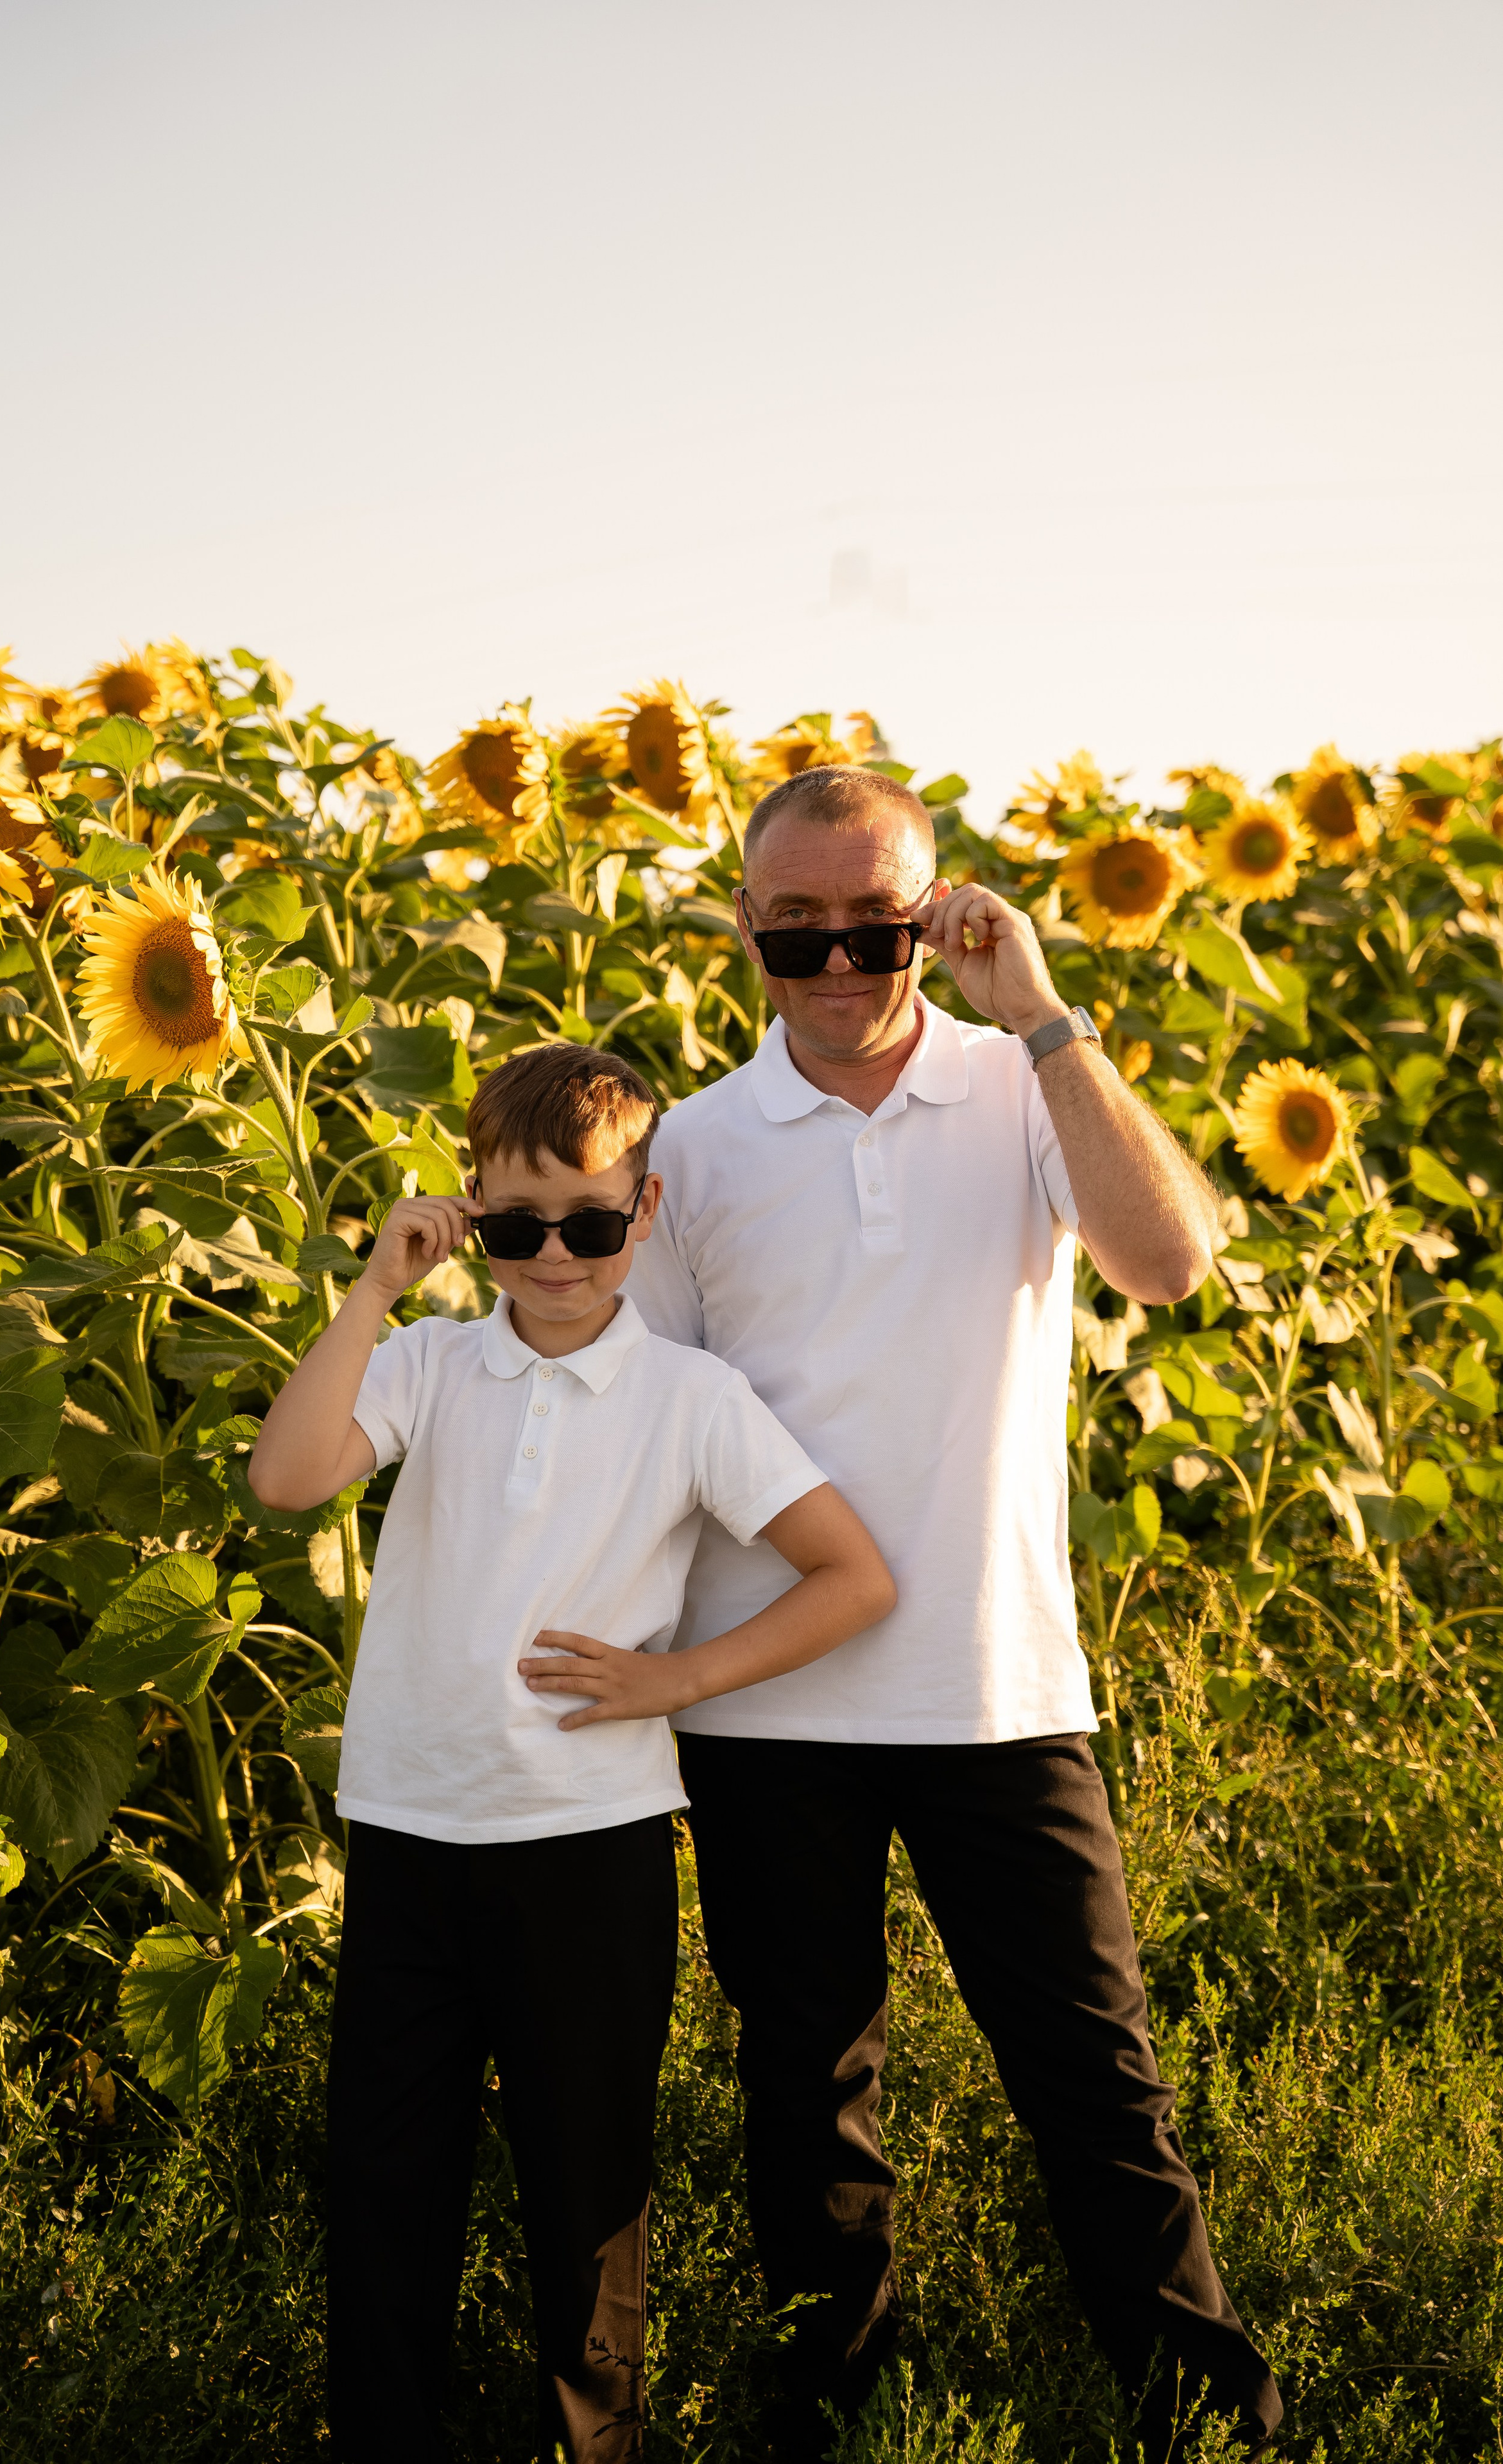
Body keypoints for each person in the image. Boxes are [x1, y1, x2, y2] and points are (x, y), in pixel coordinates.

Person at [628, 764, 1284, 2458]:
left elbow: (1166, 1266)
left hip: (996, 1682)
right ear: (745, 932)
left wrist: (1047, 1013)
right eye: (800, 936)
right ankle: (835, 2410)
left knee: (1094, 2078)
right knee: (805, 2092)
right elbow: (662, 1421)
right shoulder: (691, 1151)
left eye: (881, 928)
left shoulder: (1023, 1089)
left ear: (939, 918)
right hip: (769, 1698)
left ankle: (1207, 2416)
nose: (841, 965)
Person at [248, 1041, 896, 2464]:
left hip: (589, 1853)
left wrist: (680, 1676)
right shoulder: (424, 1363)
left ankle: (590, 2450)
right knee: (385, 2182)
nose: (557, 1257)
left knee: (585, 2191)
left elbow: (851, 1577)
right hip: (412, 1839)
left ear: (642, 1215)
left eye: (593, 1226)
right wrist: (373, 1290)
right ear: (473, 1208)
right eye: (521, 1224)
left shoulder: (689, 1401)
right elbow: (286, 1478)